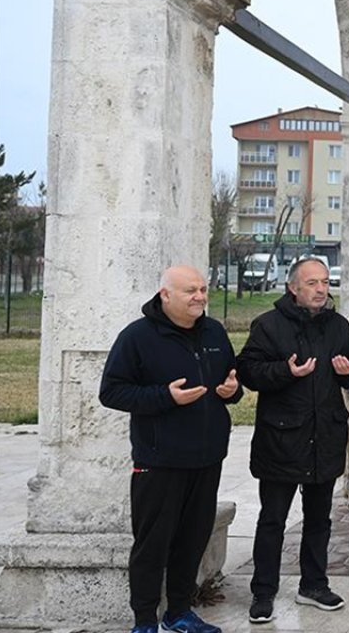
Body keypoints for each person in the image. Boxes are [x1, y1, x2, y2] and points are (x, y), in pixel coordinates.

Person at [99, 265, 242, 633]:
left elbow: (230, 381)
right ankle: (144, 620)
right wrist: (165, 396)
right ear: (166, 295)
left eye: (203, 289)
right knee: (152, 545)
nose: (200, 296)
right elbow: (111, 391)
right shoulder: (137, 337)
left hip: (207, 457)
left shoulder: (213, 331)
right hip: (159, 460)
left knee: (192, 541)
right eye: (190, 291)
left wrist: (232, 391)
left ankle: (179, 612)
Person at [235, 258, 349, 623]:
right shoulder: (268, 325)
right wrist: (284, 372)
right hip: (282, 439)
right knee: (273, 519)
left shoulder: (339, 326)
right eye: (312, 283)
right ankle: (263, 593)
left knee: (319, 519)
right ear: (293, 288)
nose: (322, 289)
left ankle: (314, 585)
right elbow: (248, 370)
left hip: (325, 437)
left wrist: (347, 373)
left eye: (325, 282)